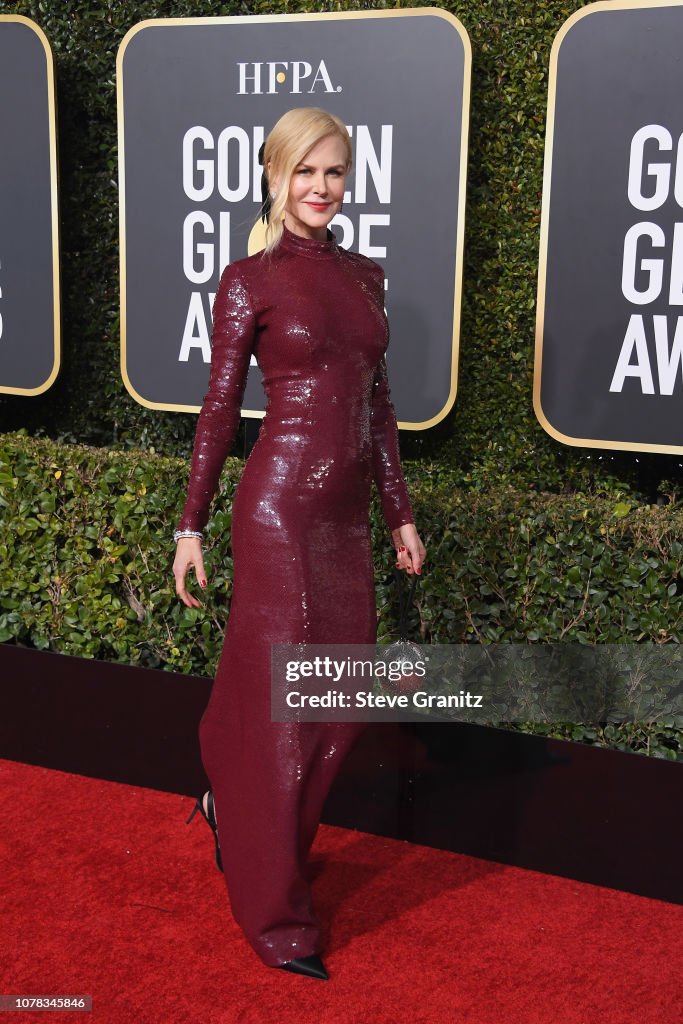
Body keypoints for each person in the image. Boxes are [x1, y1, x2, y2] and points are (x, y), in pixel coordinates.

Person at [173, 107, 426, 981]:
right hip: (277, 510)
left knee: (341, 706)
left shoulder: (366, 276)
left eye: (335, 174)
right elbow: (216, 413)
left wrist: (398, 512)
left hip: (345, 518)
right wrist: (189, 524)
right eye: (305, 172)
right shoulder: (249, 280)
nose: (321, 188)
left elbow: (378, 408)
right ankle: (278, 915)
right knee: (286, 713)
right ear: (276, 176)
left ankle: (229, 805)